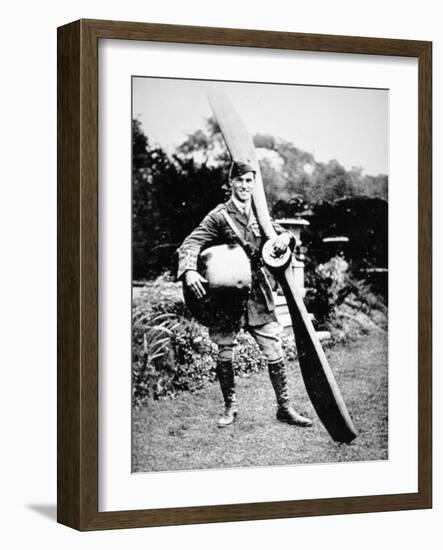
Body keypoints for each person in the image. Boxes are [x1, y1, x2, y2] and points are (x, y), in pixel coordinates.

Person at [177, 160, 312, 429]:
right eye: (239, 180)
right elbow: (190, 243)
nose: (244, 185)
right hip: (226, 294)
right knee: (225, 351)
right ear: (231, 184)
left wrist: (286, 239)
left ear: (254, 184)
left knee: (274, 348)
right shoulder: (218, 216)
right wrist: (189, 271)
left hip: (258, 294)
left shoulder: (260, 214)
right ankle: (230, 408)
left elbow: (280, 234)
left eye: (249, 181)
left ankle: (284, 408)